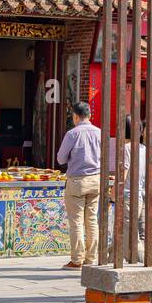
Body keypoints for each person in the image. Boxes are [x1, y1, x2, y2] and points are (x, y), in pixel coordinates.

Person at [117, 122, 152, 263]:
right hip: (142, 194)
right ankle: (144, 262)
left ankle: (142, 262)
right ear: (141, 132)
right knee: (139, 234)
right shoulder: (143, 150)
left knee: (145, 234)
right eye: (149, 129)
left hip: (142, 194)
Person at [56, 101, 102, 270]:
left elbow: (60, 159)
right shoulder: (99, 133)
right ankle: (91, 258)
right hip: (96, 180)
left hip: (77, 181)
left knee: (76, 221)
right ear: (89, 116)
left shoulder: (72, 134)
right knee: (91, 220)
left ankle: (77, 259)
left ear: (75, 116)